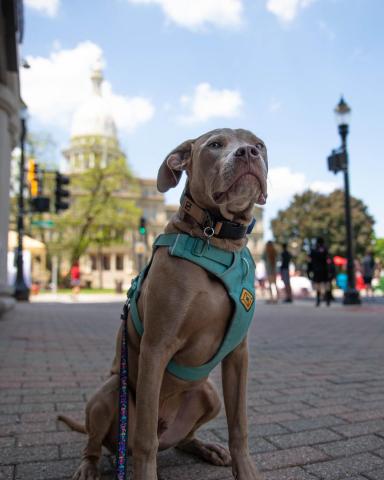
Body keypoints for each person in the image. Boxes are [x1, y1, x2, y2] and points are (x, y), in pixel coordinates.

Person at [307, 238, 332, 307]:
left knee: (318, 285)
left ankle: (318, 300)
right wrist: (330, 270)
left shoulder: (313, 250)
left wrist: (309, 271)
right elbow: (329, 260)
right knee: (326, 285)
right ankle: (327, 300)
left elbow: (309, 261)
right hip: (324, 270)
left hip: (316, 270)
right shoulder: (325, 250)